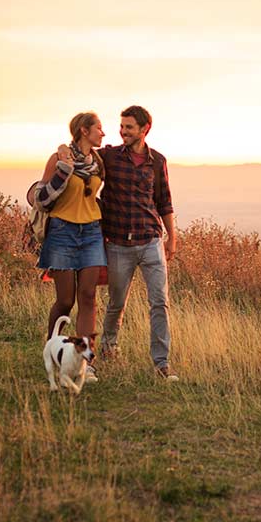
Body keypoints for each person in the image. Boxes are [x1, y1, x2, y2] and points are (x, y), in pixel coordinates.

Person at [97, 105, 179, 381]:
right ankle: (108, 347)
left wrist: (172, 238)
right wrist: (62, 149)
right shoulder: (108, 156)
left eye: (129, 127)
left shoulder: (157, 161)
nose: (123, 131)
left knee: (159, 302)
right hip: (118, 243)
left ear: (144, 130)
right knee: (117, 303)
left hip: (151, 241)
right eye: (122, 126)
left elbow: (164, 201)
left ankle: (161, 363)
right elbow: (79, 152)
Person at [36, 113, 107, 379]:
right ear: (83, 131)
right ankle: (52, 350)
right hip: (62, 231)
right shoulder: (59, 160)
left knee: (88, 297)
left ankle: (85, 363)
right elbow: (40, 197)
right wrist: (64, 168)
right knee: (65, 300)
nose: (103, 133)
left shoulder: (98, 161)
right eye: (99, 129)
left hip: (91, 232)